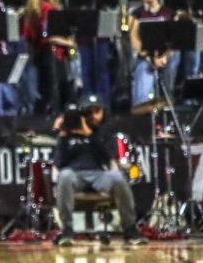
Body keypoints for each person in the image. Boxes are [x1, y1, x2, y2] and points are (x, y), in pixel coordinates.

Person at [53, 102, 144, 245]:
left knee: (118, 177)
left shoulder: (98, 133)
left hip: (98, 175)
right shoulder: (65, 136)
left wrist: (88, 133)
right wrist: (63, 136)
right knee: (64, 175)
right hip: (75, 176)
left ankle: (130, 229)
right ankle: (67, 230)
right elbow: (58, 163)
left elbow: (107, 157)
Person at [22, 0, 75, 115]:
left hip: (39, 54)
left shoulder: (32, 9)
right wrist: (68, 43)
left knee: (44, 90)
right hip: (53, 55)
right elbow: (49, 35)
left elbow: (29, 35)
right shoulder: (48, 8)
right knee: (57, 90)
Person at [130, 0, 177, 107]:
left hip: (166, 56)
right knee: (143, 71)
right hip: (147, 56)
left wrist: (164, 57)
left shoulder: (168, 12)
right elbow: (134, 39)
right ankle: (142, 107)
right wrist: (149, 58)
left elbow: (175, 39)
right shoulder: (137, 14)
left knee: (174, 61)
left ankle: (170, 103)